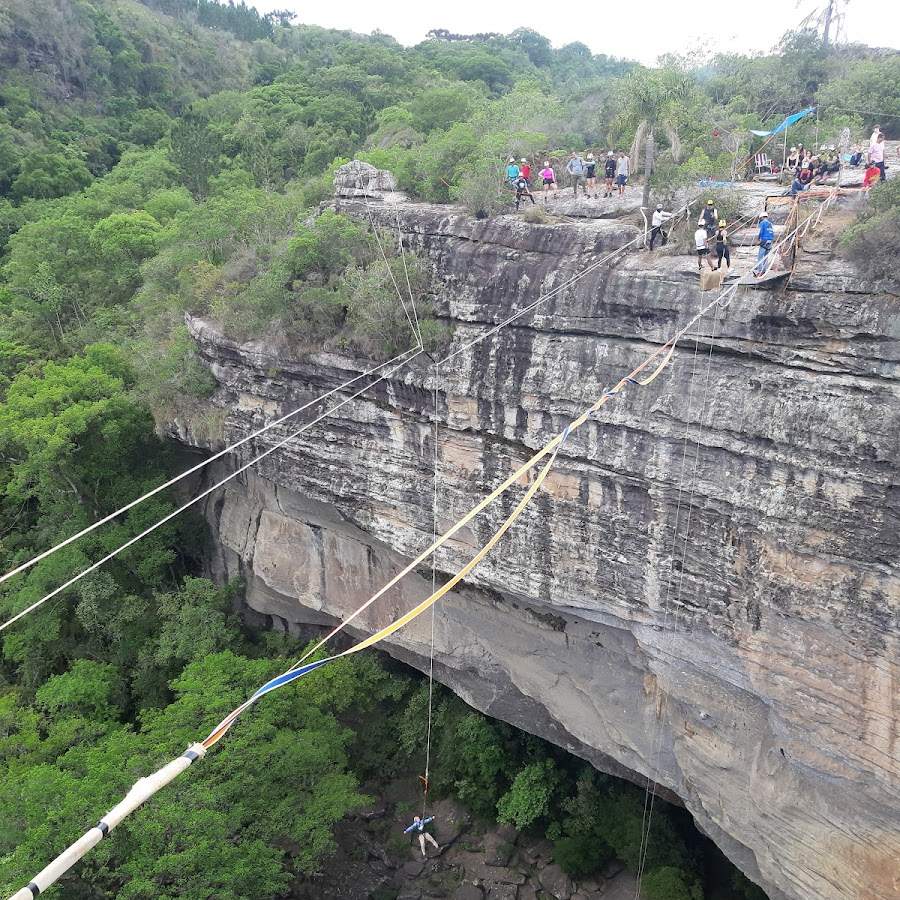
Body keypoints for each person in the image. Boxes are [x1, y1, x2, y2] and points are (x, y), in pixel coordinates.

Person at [753, 211, 775, 277]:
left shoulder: (762, 223)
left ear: (761, 217)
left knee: (760, 257)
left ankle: (760, 271)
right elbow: (772, 233)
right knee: (766, 257)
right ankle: (764, 270)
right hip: (770, 241)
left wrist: (758, 239)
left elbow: (760, 231)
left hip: (764, 241)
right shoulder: (770, 224)